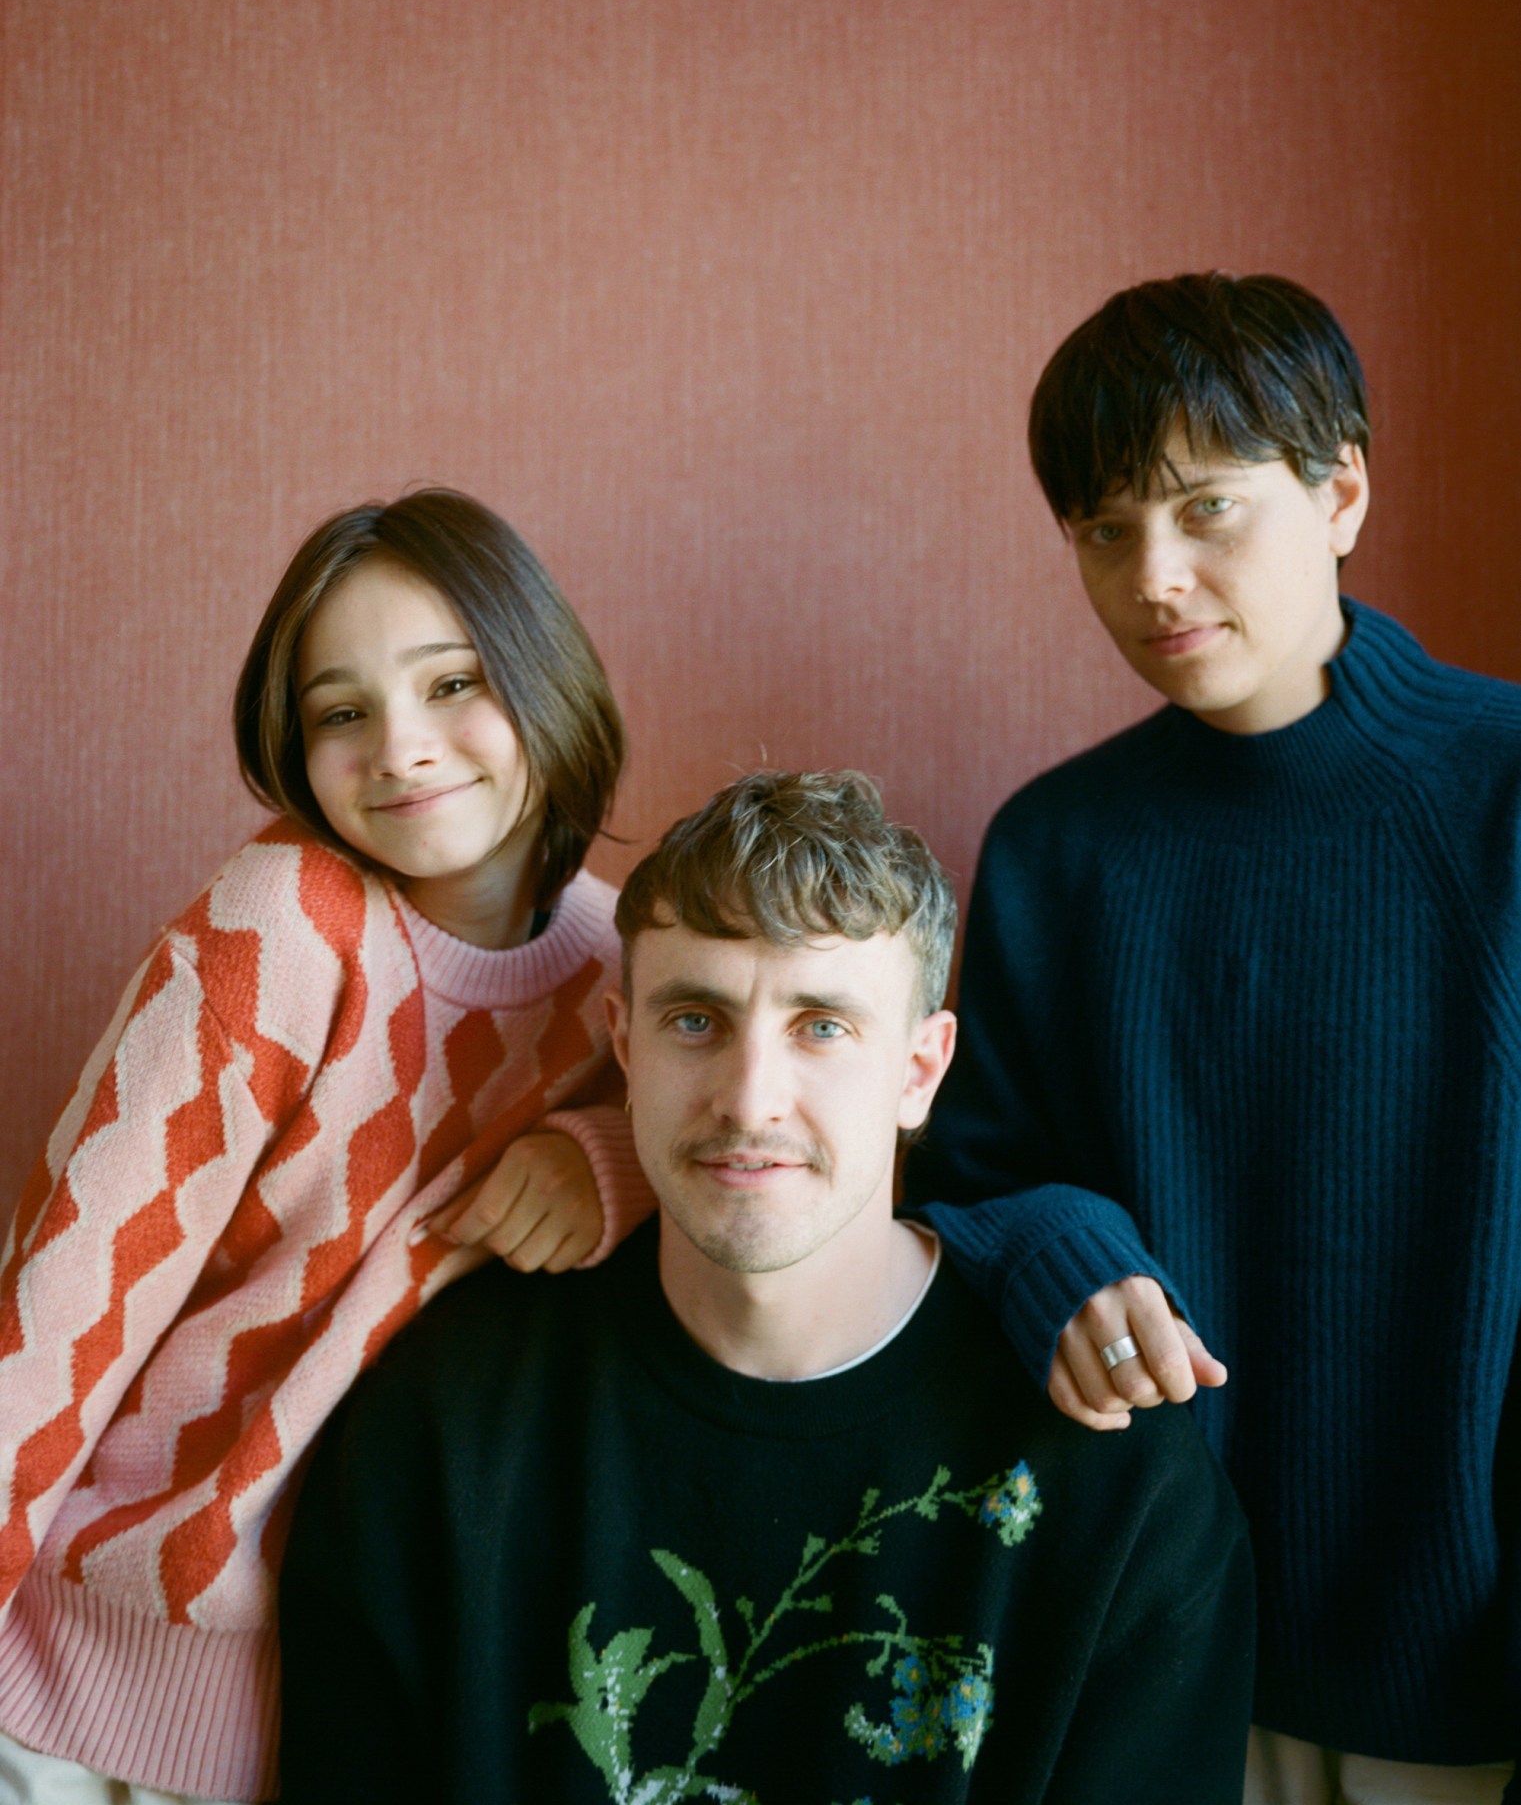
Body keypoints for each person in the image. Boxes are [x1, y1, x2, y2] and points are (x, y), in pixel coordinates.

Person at [278, 769, 1255, 1804]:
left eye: (822, 1025)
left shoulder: (1119, 1480)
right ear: (624, 1040)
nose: (749, 1100)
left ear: (921, 1070)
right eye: (695, 1019)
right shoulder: (443, 1424)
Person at [906, 273, 1521, 1804]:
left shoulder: (1504, 796)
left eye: (1204, 510)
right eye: (1103, 531)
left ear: (1342, 494)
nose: (1153, 576)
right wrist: (1065, 1259)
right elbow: (972, 1181)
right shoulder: (1059, 847)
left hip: (1467, 1676)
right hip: (1156, 1651)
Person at [0, 489, 655, 1805]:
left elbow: (767, 1142)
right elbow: (68, 1304)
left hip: (379, 1688)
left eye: (452, 682)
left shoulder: (626, 962)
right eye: (340, 711)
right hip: (91, 1659)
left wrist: (611, 1159)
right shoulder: (284, 920)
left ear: (546, 676)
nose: (400, 748)